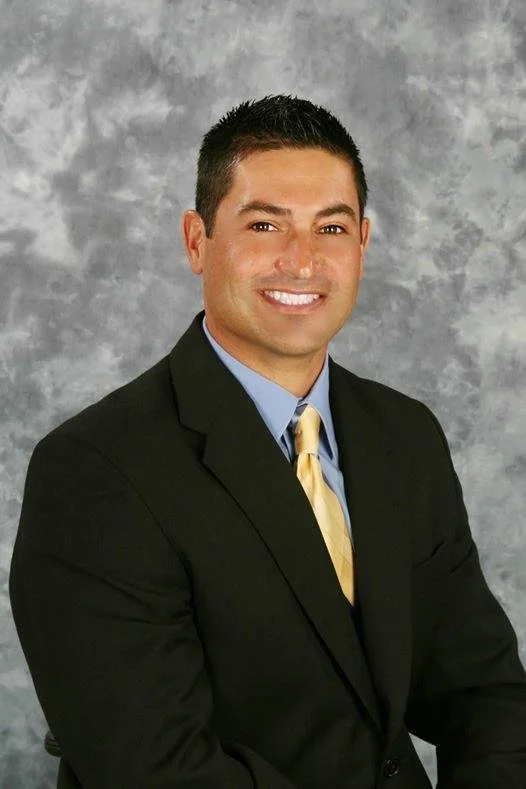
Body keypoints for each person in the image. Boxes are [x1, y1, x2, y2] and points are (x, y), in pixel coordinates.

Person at [9, 95, 526, 789]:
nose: (302, 260)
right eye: (264, 223)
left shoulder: (404, 436)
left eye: (332, 227)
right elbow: (156, 769)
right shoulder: (96, 471)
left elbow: (485, 694)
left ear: (363, 245)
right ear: (197, 241)